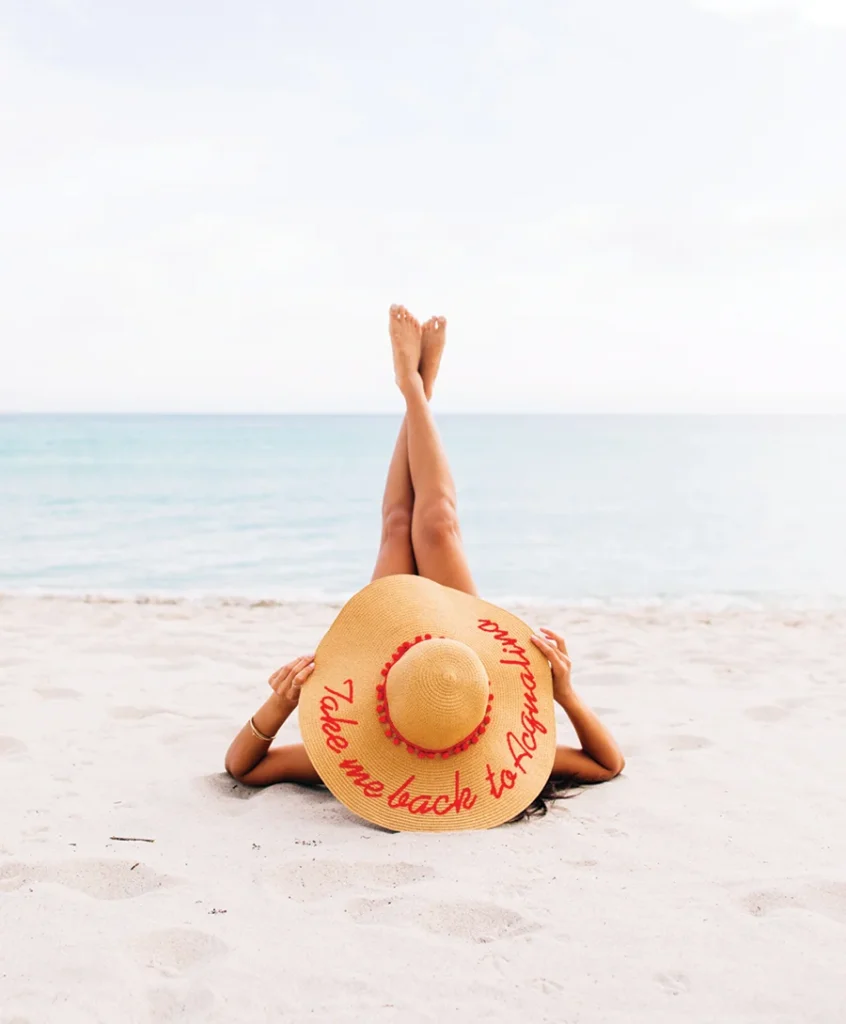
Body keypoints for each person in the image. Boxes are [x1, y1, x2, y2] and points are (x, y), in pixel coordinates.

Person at [225, 306, 624, 829]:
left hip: (390, 657)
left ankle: (413, 387)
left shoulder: (359, 753)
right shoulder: (513, 761)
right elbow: (608, 763)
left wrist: (277, 707)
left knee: (397, 525)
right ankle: (417, 391)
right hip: (461, 654)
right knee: (437, 526)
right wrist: (565, 695)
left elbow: (242, 767)